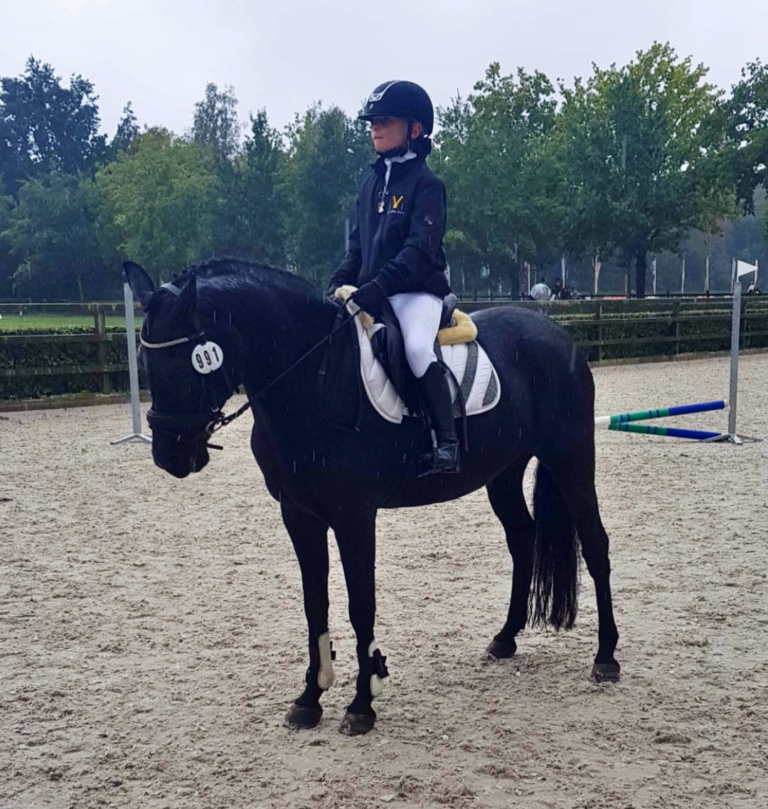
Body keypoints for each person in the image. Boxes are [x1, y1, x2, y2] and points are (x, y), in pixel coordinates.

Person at [326, 80, 459, 476]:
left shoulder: (428, 185)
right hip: (374, 292)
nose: (374, 128)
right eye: (372, 122)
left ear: (414, 130)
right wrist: (334, 286)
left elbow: (419, 252)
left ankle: (446, 443)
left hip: (415, 292)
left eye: (384, 121)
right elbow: (356, 251)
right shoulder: (369, 185)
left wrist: (377, 288)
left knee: (417, 348)